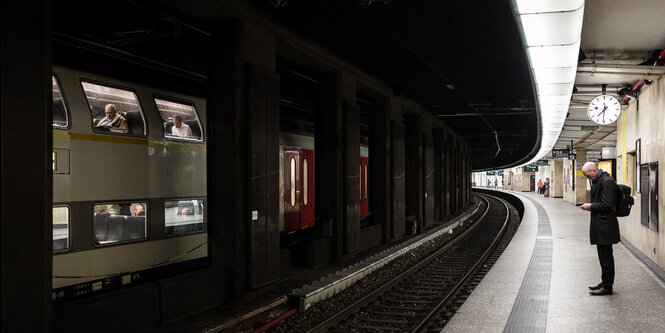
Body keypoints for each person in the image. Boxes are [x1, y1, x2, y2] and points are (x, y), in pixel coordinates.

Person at [580, 161, 620, 296]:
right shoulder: (599, 180)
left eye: (588, 175)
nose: (588, 178)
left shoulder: (607, 182)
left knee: (606, 258)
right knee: (603, 257)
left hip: (606, 226)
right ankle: (604, 282)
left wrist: (591, 206)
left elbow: (608, 205)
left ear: (594, 171)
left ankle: (608, 287)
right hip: (601, 225)